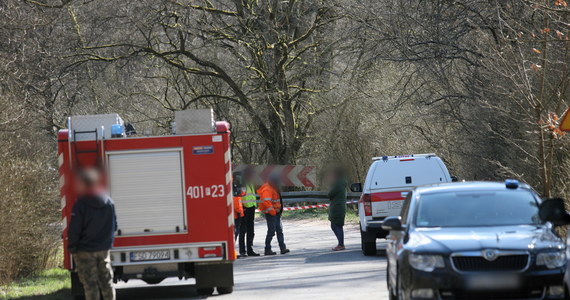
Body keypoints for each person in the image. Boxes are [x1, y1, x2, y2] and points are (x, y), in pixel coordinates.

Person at [68, 168, 117, 300]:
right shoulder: (108, 202)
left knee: (90, 284)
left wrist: (72, 246)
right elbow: (114, 225)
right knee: (107, 282)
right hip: (103, 249)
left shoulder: (81, 204)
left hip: (85, 250)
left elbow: (75, 228)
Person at [257, 174, 290, 255]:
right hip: (271, 214)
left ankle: (282, 248)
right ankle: (267, 249)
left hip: (276, 213)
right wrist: (273, 212)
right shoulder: (267, 189)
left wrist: (278, 211)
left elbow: (277, 201)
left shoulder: (274, 187)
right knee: (271, 231)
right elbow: (266, 202)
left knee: (279, 230)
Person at [239, 167, 260, 257]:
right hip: (244, 208)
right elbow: (240, 196)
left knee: (251, 231)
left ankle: (250, 250)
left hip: (251, 208)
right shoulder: (242, 183)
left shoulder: (250, 183)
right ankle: (242, 251)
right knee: (243, 230)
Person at [328, 167, 348, 251]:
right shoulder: (341, 183)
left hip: (337, 207)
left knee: (337, 225)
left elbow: (330, 194)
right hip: (338, 207)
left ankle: (341, 244)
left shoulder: (338, 184)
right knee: (335, 225)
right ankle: (340, 243)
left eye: (333, 174)